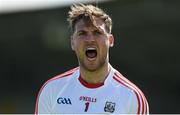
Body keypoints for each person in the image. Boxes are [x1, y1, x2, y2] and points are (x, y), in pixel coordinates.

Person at [35, 3, 149, 114]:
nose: (90, 39)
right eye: (82, 33)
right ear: (72, 43)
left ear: (110, 41)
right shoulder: (52, 90)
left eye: (97, 32)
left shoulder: (132, 97)